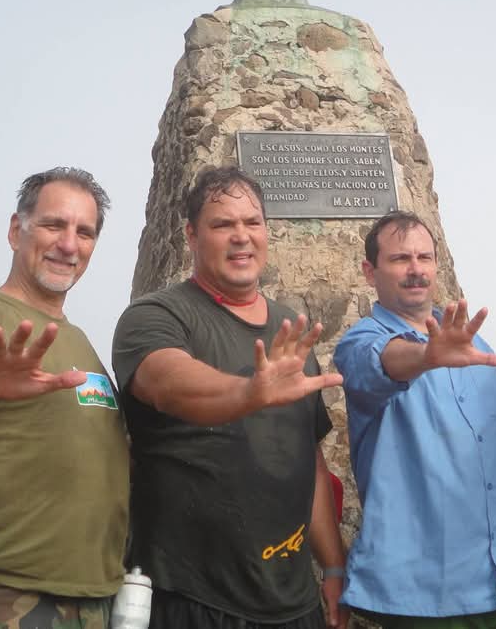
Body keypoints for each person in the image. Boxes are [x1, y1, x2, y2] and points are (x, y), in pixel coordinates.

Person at [111, 166, 347, 629]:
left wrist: (334, 567)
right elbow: (167, 381)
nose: (241, 236)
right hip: (191, 596)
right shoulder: (156, 316)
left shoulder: (290, 333)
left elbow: (310, 463)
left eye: (252, 222)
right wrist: (248, 392)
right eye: (222, 224)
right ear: (191, 235)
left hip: (294, 602)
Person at [0, 167, 128, 629]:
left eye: (85, 233)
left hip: (95, 599)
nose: (69, 245)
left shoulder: (82, 343)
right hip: (1, 593)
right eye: (54, 225)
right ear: (17, 231)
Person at [335, 212, 496, 629]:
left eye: (424, 257)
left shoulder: (476, 344)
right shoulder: (360, 342)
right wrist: (425, 356)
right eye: (400, 259)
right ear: (369, 272)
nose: (416, 270)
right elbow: (380, 363)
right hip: (428, 594)